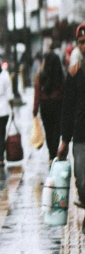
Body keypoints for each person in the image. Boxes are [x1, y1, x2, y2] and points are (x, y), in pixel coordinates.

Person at [57, 22, 85, 208]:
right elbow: (68, 109)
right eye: (81, 42)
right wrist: (65, 140)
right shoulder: (75, 73)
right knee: (82, 179)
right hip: (81, 135)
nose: (84, 46)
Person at [32, 51, 65, 162]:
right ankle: (54, 154)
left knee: (48, 130)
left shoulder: (40, 76)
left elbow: (37, 93)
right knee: (56, 130)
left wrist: (35, 110)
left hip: (45, 105)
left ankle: (51, 155)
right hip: (58, 105)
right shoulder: (61, 76)